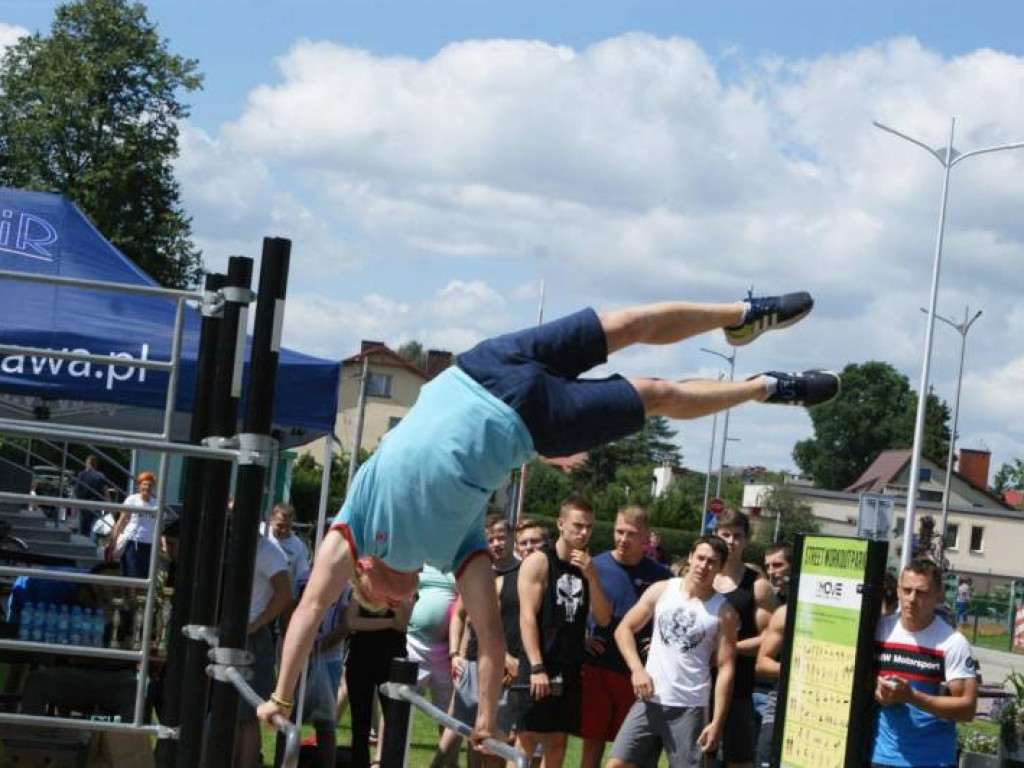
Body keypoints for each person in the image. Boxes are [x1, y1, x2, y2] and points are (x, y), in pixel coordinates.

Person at [258, 293, 839, 743]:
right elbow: (490, 641)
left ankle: (742, 314)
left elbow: (308, 611)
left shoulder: (354, 526)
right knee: (657, 391)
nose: (397, 603)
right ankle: (766, 387)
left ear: (363, 572)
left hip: (482, 366)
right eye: (391, 611)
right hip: (534, 424)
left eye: (382, 602)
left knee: (628, 325)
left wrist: (282, 697)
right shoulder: (461, 549)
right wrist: (486, 716)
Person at [605, 535, 739, 768]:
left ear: (720, 567)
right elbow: (624, 629)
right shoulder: (662, 590)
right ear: (690, 557)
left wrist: (717, 721)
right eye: (700, 558)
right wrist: (637, 669)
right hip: (649, 700)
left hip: (690, 707)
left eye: (712, 562)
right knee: (617, 764)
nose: (703, 566)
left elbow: (726, 667)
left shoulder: (724, 612)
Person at [517, 496, 612, 768]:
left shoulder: (587, 567)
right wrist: (536, 667)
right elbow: (527, 618)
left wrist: (592, 576)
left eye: (589, 527)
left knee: (558, 743)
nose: (584, 533)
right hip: (540, 662)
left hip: (570, 665)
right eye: (578, 525)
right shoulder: (539, 562)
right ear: (561, 524)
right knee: (526, 741)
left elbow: (604, 619)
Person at [580, 507, 672, 768]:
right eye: (619, 532)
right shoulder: (595, 566)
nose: (622, 539)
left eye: (631, 534)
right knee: (592, 742)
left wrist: (660, 640)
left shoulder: (662, 575)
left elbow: (673, 616)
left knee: (634, 752)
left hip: (641, 676)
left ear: (646, 537)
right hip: (598, 667)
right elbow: (571, 610)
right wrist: (581, 639)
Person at [871, 559, 978, 768]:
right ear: (898, 591)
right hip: (879, 756)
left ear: (939, 595)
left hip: (931, 759)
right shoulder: (879, 630)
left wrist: (912, 697)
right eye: (907, 590)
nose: (911, 599)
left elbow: (967, 709)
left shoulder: (953, 643)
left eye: (921, 593)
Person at [713, 509, 775, 768]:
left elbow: (770, 638)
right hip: (699, 683)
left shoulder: (756, 585)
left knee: (739, 761)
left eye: (737, 536)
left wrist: (729, 648)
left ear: (746, 540)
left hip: (739, 686)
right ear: (716, 535)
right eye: (725, 534)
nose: (730, 541)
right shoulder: (703, 576)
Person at [236, 534, 292, 768]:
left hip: (252, 640)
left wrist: (257, 623)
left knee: (247, 716)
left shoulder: (267, 551)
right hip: (234, 637)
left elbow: (285, 592)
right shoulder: (234, 544)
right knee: (233, 716)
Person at [343, 589, 414, 768]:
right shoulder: (362, 586)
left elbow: (403, 623)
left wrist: (390, 596)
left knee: (395, 724)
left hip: (393, 663)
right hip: (360, 660)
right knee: (360, 725)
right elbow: (352, 621)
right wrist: (389, 622)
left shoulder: (403, 585)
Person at [754, 544, 791, 768]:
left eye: (778, 565)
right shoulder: (777, 605)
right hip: (772, 691)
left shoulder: (807, 603)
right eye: (767, 566)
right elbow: (762, 659)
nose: (771, 571)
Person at [108, 472, 159, 579]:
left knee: (145, 576)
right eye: (144, 484)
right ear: (139, 486)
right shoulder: (132, 499)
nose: (147, 487)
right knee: (132, 574)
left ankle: (138, 595)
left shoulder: (156, 503)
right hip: (132, 541)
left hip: (149, 544)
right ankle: (130, 595)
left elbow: (159, 526)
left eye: (150, 485)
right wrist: (113, 541)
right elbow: (121, 521)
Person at [266, 502, 312, 602]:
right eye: (280, 525)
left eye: (288, 526)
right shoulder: (262, 534)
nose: (283, 530)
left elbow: (302, 577)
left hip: (280, 602)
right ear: (271, 520)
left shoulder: (298, 546)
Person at [73, 455, 111, 538]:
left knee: (83, 529)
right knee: (94, 528)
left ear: (87, 464)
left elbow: (76, 491)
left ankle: (82, 546)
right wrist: (109, 506)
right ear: (96, 465)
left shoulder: (81, 475)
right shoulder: (100, 476)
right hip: (96, 506)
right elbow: (106, 492)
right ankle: (93, 547)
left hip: (83, 506)